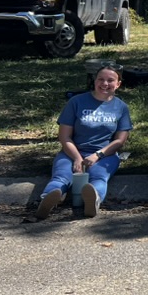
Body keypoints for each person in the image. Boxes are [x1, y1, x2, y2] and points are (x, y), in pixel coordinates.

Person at [35, 63, 133, 219]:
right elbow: (64, 136)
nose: (105, 84)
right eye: (101, 79)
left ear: (118, 84)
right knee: (61, 177)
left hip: (105, 154)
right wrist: (77, 158)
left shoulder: (121, 107)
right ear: (94, 81)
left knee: (99, 178)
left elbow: (120, 141)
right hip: (72, 151)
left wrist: (97, 155)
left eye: (110, 80)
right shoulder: (76, 102)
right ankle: (48, 199)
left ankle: (93, 201)